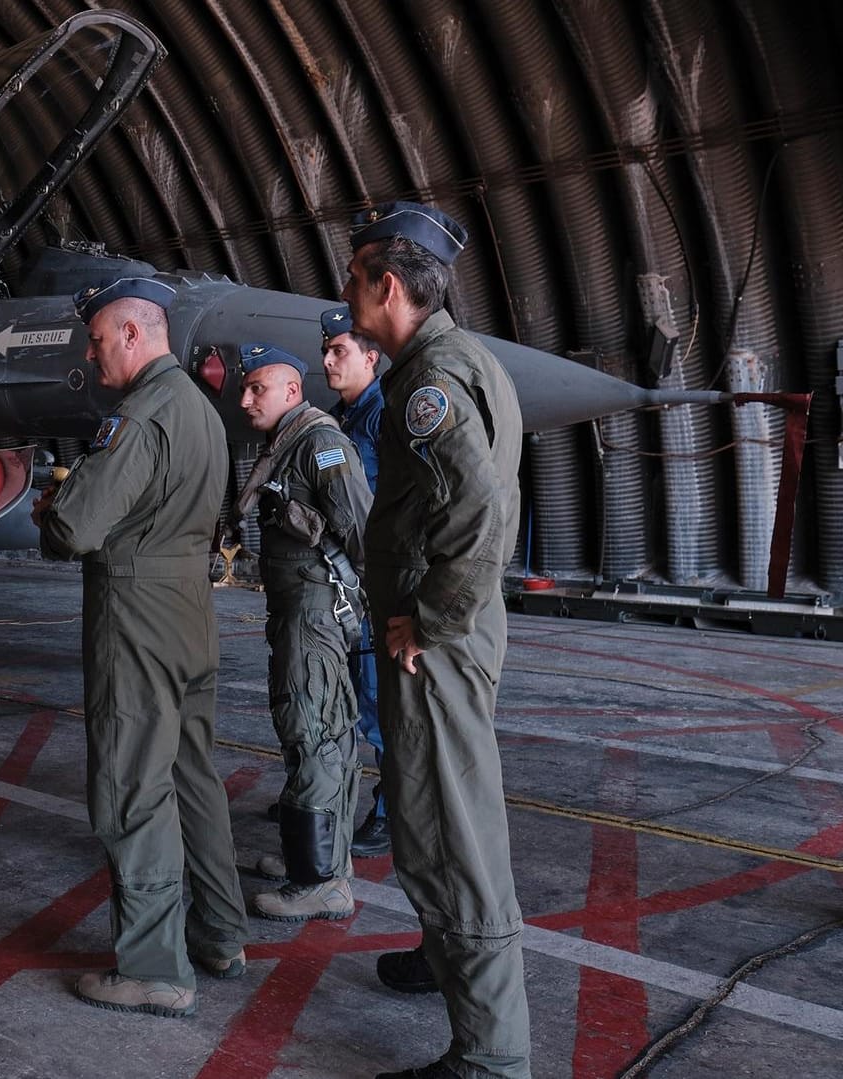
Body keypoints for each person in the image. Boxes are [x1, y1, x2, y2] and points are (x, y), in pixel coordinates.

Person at [341, 202, 531, 1079]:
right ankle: (446, 958)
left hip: (435, 647)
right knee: (438, 818)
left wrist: (434, 619)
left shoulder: (427, 385)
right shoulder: (468, 360)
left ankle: (491, 1057)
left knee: (450, 834)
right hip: (451, 639)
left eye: (353, 279)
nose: (345, 295)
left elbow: (479, 513)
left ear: (388, 285)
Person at [34, 275, 248, 1018]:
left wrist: (54, 506)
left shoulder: (141, 413)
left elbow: (75, 529)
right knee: (193, 775)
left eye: (97, 341)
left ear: (132, 332)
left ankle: (155, 967)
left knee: (131, 783)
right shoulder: (202, 410)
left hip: (138, 613)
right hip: (192, 608)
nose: (93, 359)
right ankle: (220, 933)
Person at [235, 342, 371, 922]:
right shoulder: (286, 444)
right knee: (326, 734)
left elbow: (362, 533)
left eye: (256, 388)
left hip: (315, 616)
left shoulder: (319, 445)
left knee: (311, 733)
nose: (244, 399)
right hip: (300, 613)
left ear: (291, 392)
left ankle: (319, 881)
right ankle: (320, 861)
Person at [320, 305, 392, 859]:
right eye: (326, 350)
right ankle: (334, 798)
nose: (328, 360)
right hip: (339, 583)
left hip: (371, 584)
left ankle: (392, 813)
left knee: (374, 700)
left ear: (371, 357)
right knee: (340, 695)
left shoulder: (382, 417)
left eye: (339, 350)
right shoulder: (337, 419)